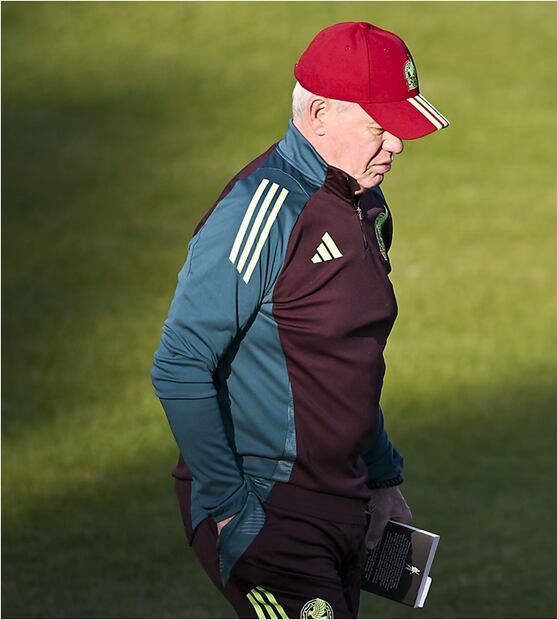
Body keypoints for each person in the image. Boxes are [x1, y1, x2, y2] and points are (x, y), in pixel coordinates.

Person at [150, 21, 449, 619]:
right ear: (317, 114)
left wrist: (384, 480)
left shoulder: (366, 206)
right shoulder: (259, 212)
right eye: (378, 126)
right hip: (270, 508)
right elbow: (180, 364)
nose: (395, 143)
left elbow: (344, 361)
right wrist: (232, 507)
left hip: (344, 500)